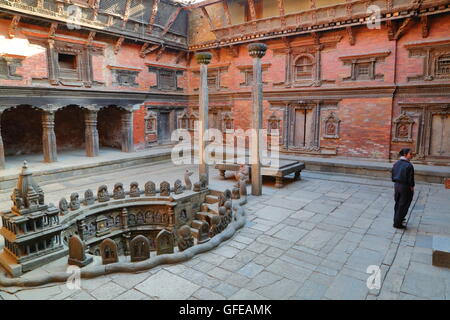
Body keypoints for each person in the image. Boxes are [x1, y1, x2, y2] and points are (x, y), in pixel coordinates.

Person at [391, 148, 415, 229]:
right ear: (405, 155)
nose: (412, 156)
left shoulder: (396, 163)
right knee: (404, 204)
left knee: (398, 203)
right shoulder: (409, 165)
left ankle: (397, 219)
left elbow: (392, 175)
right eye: (410, 154)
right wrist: (412, 187)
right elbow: (410, 178)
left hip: (397, 185)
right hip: (405, 187)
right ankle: (398, 223)